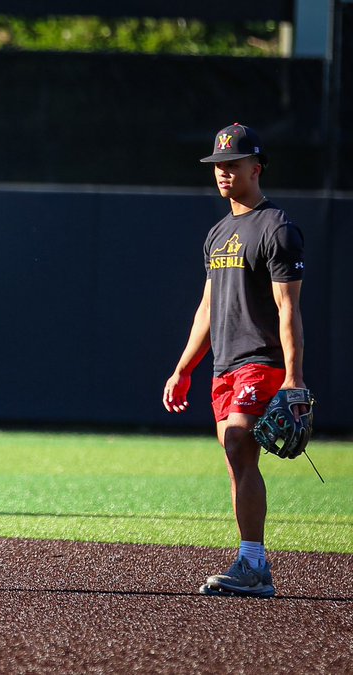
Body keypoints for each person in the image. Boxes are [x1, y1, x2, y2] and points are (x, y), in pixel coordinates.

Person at [163, 122, 306, 598]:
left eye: (233, 164)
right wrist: (183, 368)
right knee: (235, 458)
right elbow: (207, 308)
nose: (223, 172)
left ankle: (252, 562)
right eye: (218, 165)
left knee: (239, 441)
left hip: (260, 359)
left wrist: (294, 379)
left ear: (256, 168)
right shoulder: (218, 233)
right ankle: (253, 564)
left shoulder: (277, 228)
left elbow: (288, 308)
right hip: (223, 365)